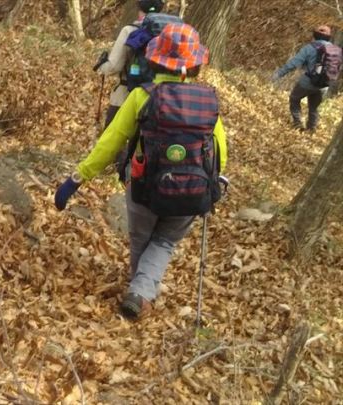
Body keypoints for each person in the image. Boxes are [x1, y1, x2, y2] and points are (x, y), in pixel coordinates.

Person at [55, 23, 229, 321]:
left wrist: (77, 178)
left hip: (144, 186)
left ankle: (138, 292)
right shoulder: (206, 101)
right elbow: (219, 151)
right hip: (192, 190)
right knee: (165, 241)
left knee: (141, 239)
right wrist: (212, 183)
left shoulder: (141, 96)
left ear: (155, 59)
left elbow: (110, 143)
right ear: (194, 65)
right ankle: (141, 292)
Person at [96, 0, 166, 129]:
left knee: (112, 135)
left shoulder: (129, 30)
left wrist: (101, 65)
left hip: (126, 94)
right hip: (159, 98)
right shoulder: (168, 32)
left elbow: (113, 67)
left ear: (140, 8)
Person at [272, 25, 339, 132]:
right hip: (324, 84)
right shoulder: (335, 50)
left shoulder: (309, 48)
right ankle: (311, 129)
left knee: (294, 98)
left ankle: (298, 123)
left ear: (314, 35)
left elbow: (293, 63)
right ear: (329, 37)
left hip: (308, 82)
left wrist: (278, 74)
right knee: (314, 107)